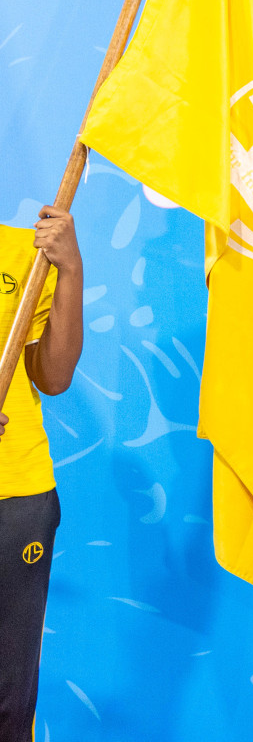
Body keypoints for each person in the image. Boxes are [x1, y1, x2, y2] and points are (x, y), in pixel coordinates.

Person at [0, 206, 83, 742]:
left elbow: (52, 376)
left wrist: (70, 268)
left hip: (17, 495)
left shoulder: (23, 253)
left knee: (9, 701)